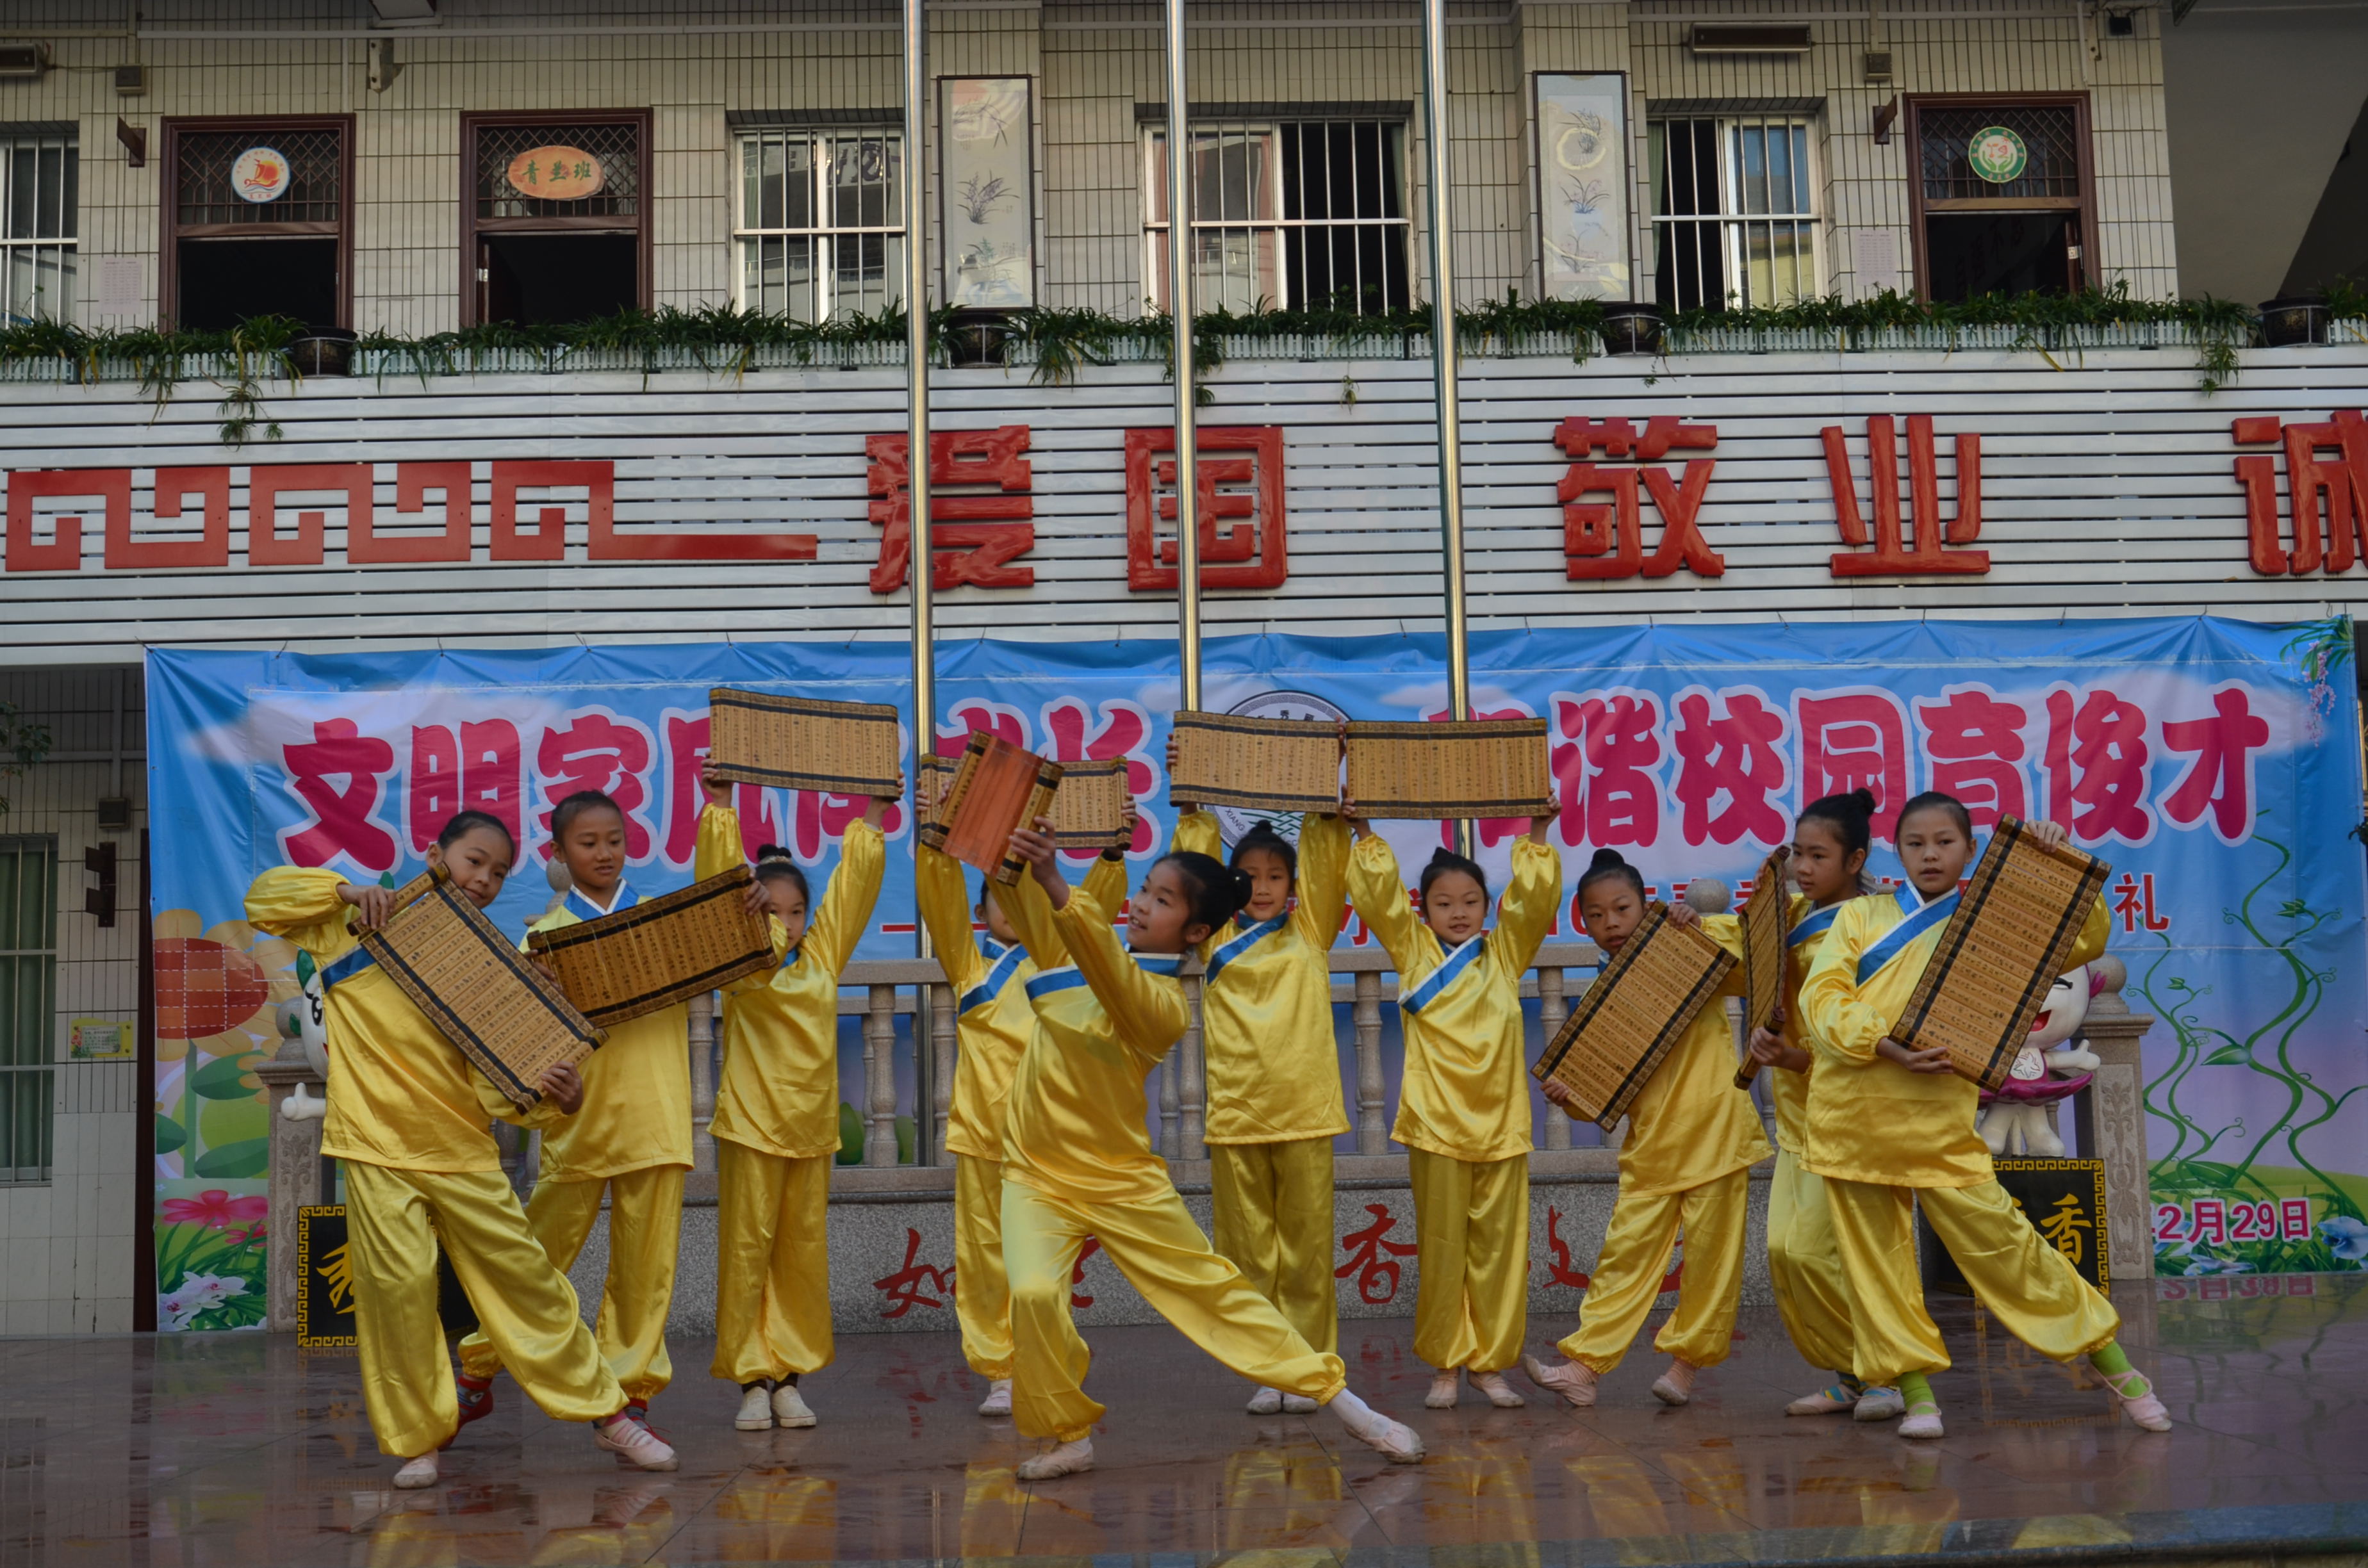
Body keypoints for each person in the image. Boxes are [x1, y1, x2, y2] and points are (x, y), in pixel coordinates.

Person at [245, 810, 677, 1488]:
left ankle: (610, 1413)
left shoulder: (488, 963)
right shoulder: (353, 923)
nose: (484, 880)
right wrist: (342, 892)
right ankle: (418, 1440)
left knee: (528, 1283)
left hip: (463, 1150)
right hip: (377, 1145)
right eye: (475, 861)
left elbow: (501, 1091)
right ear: (435, 852)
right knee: (398, 1291)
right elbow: (263, 898)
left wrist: (556, 1097)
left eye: (499, 873)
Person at [992, 818, 1425, 1480]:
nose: (1139, 904)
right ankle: (1066, 1432)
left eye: (1163, 901)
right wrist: (1006, 850)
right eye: (1144, 890)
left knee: (1217, 1293)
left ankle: (1342, 1400)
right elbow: (1038, 919)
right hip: (1034, 1175)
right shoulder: (1086, 951)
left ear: (1197, 932)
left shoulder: (1160, 1005)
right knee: (1030, 1294)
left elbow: (1104, 966)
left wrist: (1054, 879)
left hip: (1120, 1181)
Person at [1796, 792, 2171, 1439]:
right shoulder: (1859, 916)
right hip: (1853, 1114)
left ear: (1970, 850)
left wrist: (2055, 859)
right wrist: (1886, 1044)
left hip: (1940, 1119)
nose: (1931, 854)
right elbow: (1822, 998)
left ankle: (2116, 1365)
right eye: (1916, 843)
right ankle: (1917, 1396)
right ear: (1898, 851)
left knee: (2008, 1248)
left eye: (1945, 842)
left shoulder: (1989, 918)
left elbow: (2081, 940)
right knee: (1876, 1265)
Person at [456, 790, 690, 1439]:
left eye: (613, 840)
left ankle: (629, 1395)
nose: (605, 853)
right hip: (576, 1127)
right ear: (559, 854)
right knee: (533, 1262)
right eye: (588, 843)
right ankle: (479, 1369)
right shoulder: (539, 940)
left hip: (655, 1116)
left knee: (647, 1274)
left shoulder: (665, 922)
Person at [1524, 849, 1770, 1409]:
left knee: (1711, 1262)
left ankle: (1685, 1369)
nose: (1611, 923)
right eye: (1596, 914)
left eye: (1622, 908)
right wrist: (1571, 1097)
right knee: (1624, 1256)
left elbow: (1752, 961)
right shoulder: (1601, 1002)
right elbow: (1598, 1100)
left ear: (1646, 906)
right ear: (1583, 922)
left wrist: (1702, 926)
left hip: (1716, 1133)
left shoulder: (1690, 955)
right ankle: (1583, 1367)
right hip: (1652, 1145)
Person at [1344, 806, 1561, 1411]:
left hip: (1502, 1127)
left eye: (1471, 901)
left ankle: (1490, 1365)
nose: (1459, 912)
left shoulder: (1504, 955)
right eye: (1444, 903)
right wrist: (1364, 832)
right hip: (1437, 1126)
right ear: (1425, 911)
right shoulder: (1413, 952)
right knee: (1442, 1250)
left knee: (1498, 1255)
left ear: (1486, 908)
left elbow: (1534, 904)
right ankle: (1445, 1365)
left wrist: (1537, 834)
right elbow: (1380, 898)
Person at [695, 766, 893, 1430]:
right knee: (748, 1252)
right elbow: (717, 895)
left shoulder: (823, 959)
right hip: (751, 1127)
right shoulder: (743, 965)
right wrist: (721, 811)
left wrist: (871, 809)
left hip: (808, 1131)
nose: (785, 921)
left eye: (795, 911)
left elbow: (854, 888)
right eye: (771, 910)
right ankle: (752, 1379)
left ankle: (790, 1377)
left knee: (801, 1254)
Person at [915, 815, 1128, 1417]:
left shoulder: (1061, 961)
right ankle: (1001, 1370)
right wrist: (935, 843)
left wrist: (1111, 855)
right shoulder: (969, 964)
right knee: (984, 1256)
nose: (1014, 906)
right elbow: (940, 901)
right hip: (985, 1133)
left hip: (1049, 1136)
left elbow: (1089, 911)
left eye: (1025, 894)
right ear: (983, 910)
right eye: (1000, 898)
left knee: (1045, 1261)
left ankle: (1048, 1361)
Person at [1168, 783, 1352, 1414]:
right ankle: (1268, 1368)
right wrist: (1192, 813)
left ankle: (1309, 1365)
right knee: (1249, 1255)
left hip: (1305, 1113)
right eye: (1248, 876)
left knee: (1307, 1251)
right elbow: (1190, 879)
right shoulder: (1215, 938)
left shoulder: (1312, 932)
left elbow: (1328, 868)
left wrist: (1327, 818)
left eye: (1276, 875)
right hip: (1238, 1114)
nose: (1264, 886)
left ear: (1293, 884)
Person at [1743, 788, 1903, 1422]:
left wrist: (1797, 1058)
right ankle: (1854, 1372)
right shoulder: (1785, 917)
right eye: (1797, 856)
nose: (1803, 868)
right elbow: (1742, 962)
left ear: (1856, 858)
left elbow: (1872, 1036)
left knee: (1857, 1255)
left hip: (1857, 1117)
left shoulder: (1875, 929)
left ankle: (1890, 1374)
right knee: (1789, 1250)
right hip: (1801, 1117)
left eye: (1818, 856)